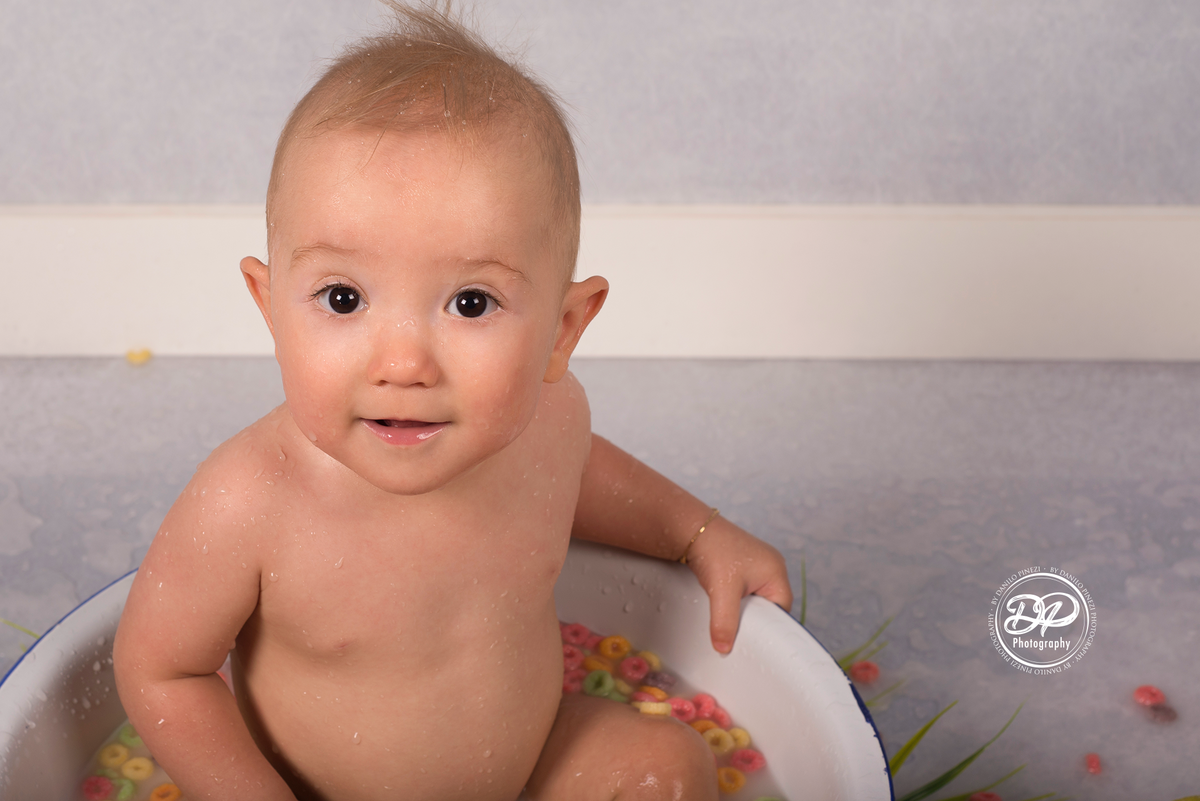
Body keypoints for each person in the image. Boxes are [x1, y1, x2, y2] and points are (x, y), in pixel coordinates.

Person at [113, 5, 793, 799]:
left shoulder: (551, 421)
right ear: (269, 308)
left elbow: (582, 474)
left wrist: (697, 530)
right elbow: (161, 670)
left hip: (533, 766)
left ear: (562, 329)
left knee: (667, 765)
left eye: (471, 303)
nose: (403, 363)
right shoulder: (249, 500)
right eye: (342, 297)